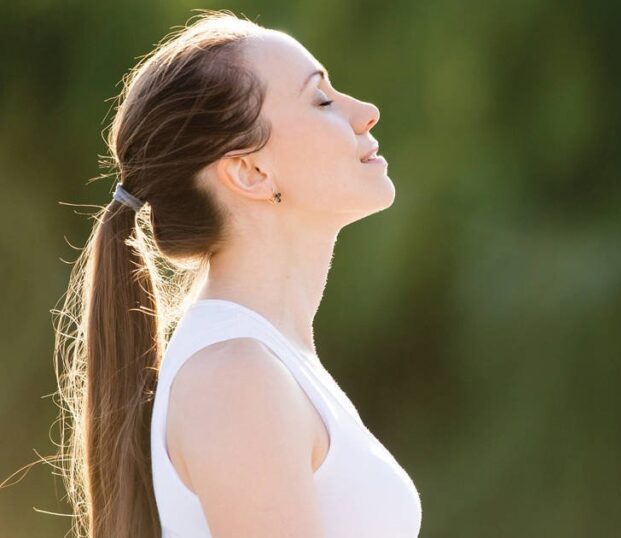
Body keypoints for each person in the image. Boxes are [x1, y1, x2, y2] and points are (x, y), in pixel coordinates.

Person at [51, 9, 421, 537]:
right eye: (321, 99)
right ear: (249, 171)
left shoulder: (265, 362)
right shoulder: (235, 376)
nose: (366, 112)